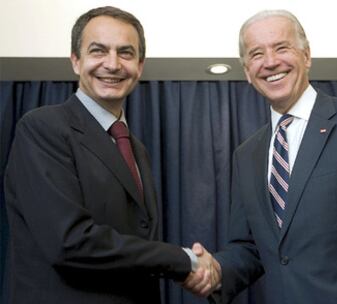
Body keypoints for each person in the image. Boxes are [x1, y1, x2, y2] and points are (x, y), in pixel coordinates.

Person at [184, 9, 337, 303]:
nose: (270, 62)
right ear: (247, 72)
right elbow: (252, 248)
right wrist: (215, 270)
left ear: (306, 55)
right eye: (256, 54)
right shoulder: (247, 154)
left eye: (281, 47)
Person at [4, 6, 212, 304]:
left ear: (139, 66)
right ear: (76, 61)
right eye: (98, 51)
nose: (112, 64)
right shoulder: (42, 128)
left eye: (125, 53)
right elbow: (70, 242)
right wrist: (183, 260)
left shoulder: (134, 147)